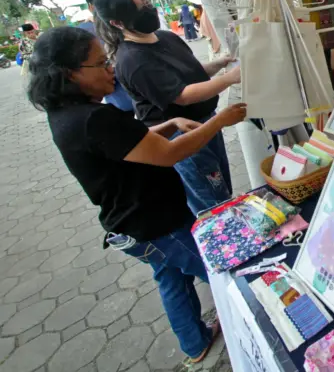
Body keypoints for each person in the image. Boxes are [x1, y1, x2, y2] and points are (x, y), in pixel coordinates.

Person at [26, 26, 247, 363]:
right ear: (71, 74)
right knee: (223, 272)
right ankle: (260, 328)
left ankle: (194, 342)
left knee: (171, 279)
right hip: (157, 224)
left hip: (132, 226)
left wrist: (168, 125)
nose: (110, 69)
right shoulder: (93, 118)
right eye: (100, 64)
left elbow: (129, 145)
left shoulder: (68, 114)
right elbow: (168, 155)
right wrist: (218, 122)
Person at [93, 0, 241, 215]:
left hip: (206, 123)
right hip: (182, 135)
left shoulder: (165, 37)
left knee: (222, 189)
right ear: (117, 22)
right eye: (139, 7)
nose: (148, 8)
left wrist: (220, 64)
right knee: (212, 202)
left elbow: (190, 74)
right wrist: (229, 78)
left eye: (146, 1)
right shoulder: (132, 60)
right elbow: (181, 95)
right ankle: (226, 241)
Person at [81, 0, 135, 112]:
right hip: (133, 78)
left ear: (90, 6)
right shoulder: (125, 21)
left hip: (114, 87)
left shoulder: (83, 31)